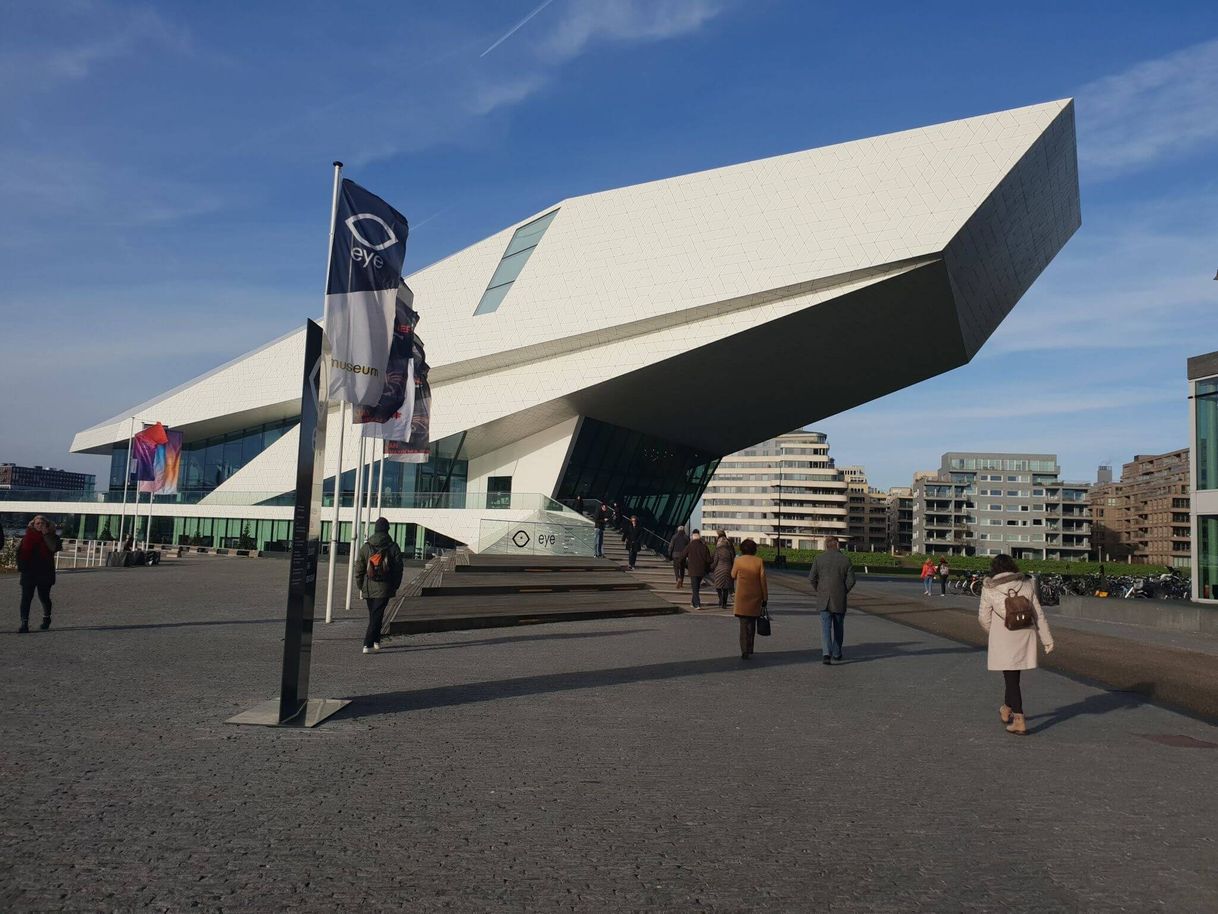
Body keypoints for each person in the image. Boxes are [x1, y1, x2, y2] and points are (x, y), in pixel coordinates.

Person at [978, 554, 1054, 735]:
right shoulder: (1026, 585)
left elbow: (983, 618)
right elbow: (1038, 615)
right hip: (1025, 633)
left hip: (1004, 636)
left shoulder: (989, 589)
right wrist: (1047, 639)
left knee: (1011, 677)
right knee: (1013, 675)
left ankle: (1019, 718)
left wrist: (994, 633)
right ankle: (1006, 708)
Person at [354, 518, 404, 655]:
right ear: (387, 530)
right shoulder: (393, 547)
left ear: (375, 529)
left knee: (375, 614)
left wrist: (361, 585)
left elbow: (359, 569)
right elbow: (398, 569)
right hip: (385, 587)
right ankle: (368, 643)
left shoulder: (366, 547)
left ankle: (376, 641)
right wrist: (395, 585)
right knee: (376, 615)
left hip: (368, 587)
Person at [809, 536, 856, 664]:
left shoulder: (819, 559)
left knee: (825, 627)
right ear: (837, 545)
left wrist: (819, 590)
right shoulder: (846, 560)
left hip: (823, 598)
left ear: (826, 545)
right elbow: (852, 580)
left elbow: (811, 578)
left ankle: (826, 653)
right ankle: (836, 652)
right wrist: (843, 590)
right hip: (839, 598)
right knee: (839, 627)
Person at [17, 515, 57, 633]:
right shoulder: (27, 537)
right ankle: (24, 623)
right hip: (29, 572)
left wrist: (45, 534)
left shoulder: (52, 537)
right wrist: (21, 567)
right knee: (26, 598)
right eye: (37, 523)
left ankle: (46, 617)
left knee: (44, 597)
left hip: (45, 572)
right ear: (33, 525)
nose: (39, 525)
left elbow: (53, 548)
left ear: (47, 525)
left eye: (42, 523)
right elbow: (19, 553)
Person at [731, 538, 768, 659]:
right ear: (754, 550)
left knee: (743, 625)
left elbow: (732, 575)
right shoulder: (759, 561)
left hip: (742, 596)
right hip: (755, 596)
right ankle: (750, 647)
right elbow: (763, 580)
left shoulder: (738, 561)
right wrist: (765, 597)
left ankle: (744, 649)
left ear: (742, 549)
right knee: (752, 623)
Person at [685, 530, 712, 609]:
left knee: (695, 587)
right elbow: (708, 560)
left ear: (692, 538)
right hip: (701, 570)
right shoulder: (704, 547)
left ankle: (697, 604)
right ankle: (693, 602)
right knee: (696, 587)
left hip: (692, 569)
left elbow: (682, 555)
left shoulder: (689, 546)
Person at [712, 531, 735, 609]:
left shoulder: (718, 550)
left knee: (718, 587)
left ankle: (720, 600)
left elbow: (715, 561)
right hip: (728, 569)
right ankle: (724, 603)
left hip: (719, 569)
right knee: (725, 587)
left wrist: (711, 568)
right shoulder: (730, 550)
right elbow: (733, 560)